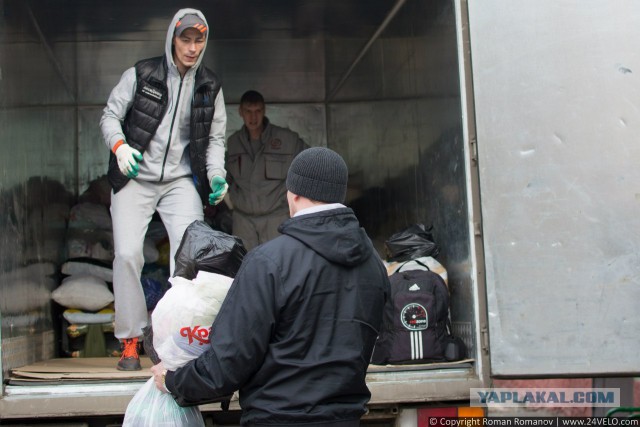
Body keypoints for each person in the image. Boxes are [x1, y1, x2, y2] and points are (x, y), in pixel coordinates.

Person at [151, 147, 390, 426]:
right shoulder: (373, 264)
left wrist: (173, 381)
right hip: (345, 419)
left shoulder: (269, 262)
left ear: (294, 193)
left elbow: (228, 364)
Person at [99, 8, 228, 371]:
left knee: (188, 259)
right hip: (134, 175)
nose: (191, 47)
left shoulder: (210, 85)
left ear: (205, 42)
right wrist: (120, 147)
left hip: (179, 180)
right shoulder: (142, 74)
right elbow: (110, 115)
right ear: (172, 38)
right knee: (127, 255)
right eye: (185, 39)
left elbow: (216, 137)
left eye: (198, 40)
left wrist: (216, 175)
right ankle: (129, 339)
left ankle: (175, 338)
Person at [224, 90, 309, 250]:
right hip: (243, 222)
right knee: (247, 266)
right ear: (240, 112)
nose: (253, 117)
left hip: (276, 219)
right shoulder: (234, 143)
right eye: (248, 111)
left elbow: (311, 164)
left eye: (257, 111)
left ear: (264, 111)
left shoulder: (286, 140)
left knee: (279, 265)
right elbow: (226, 177)